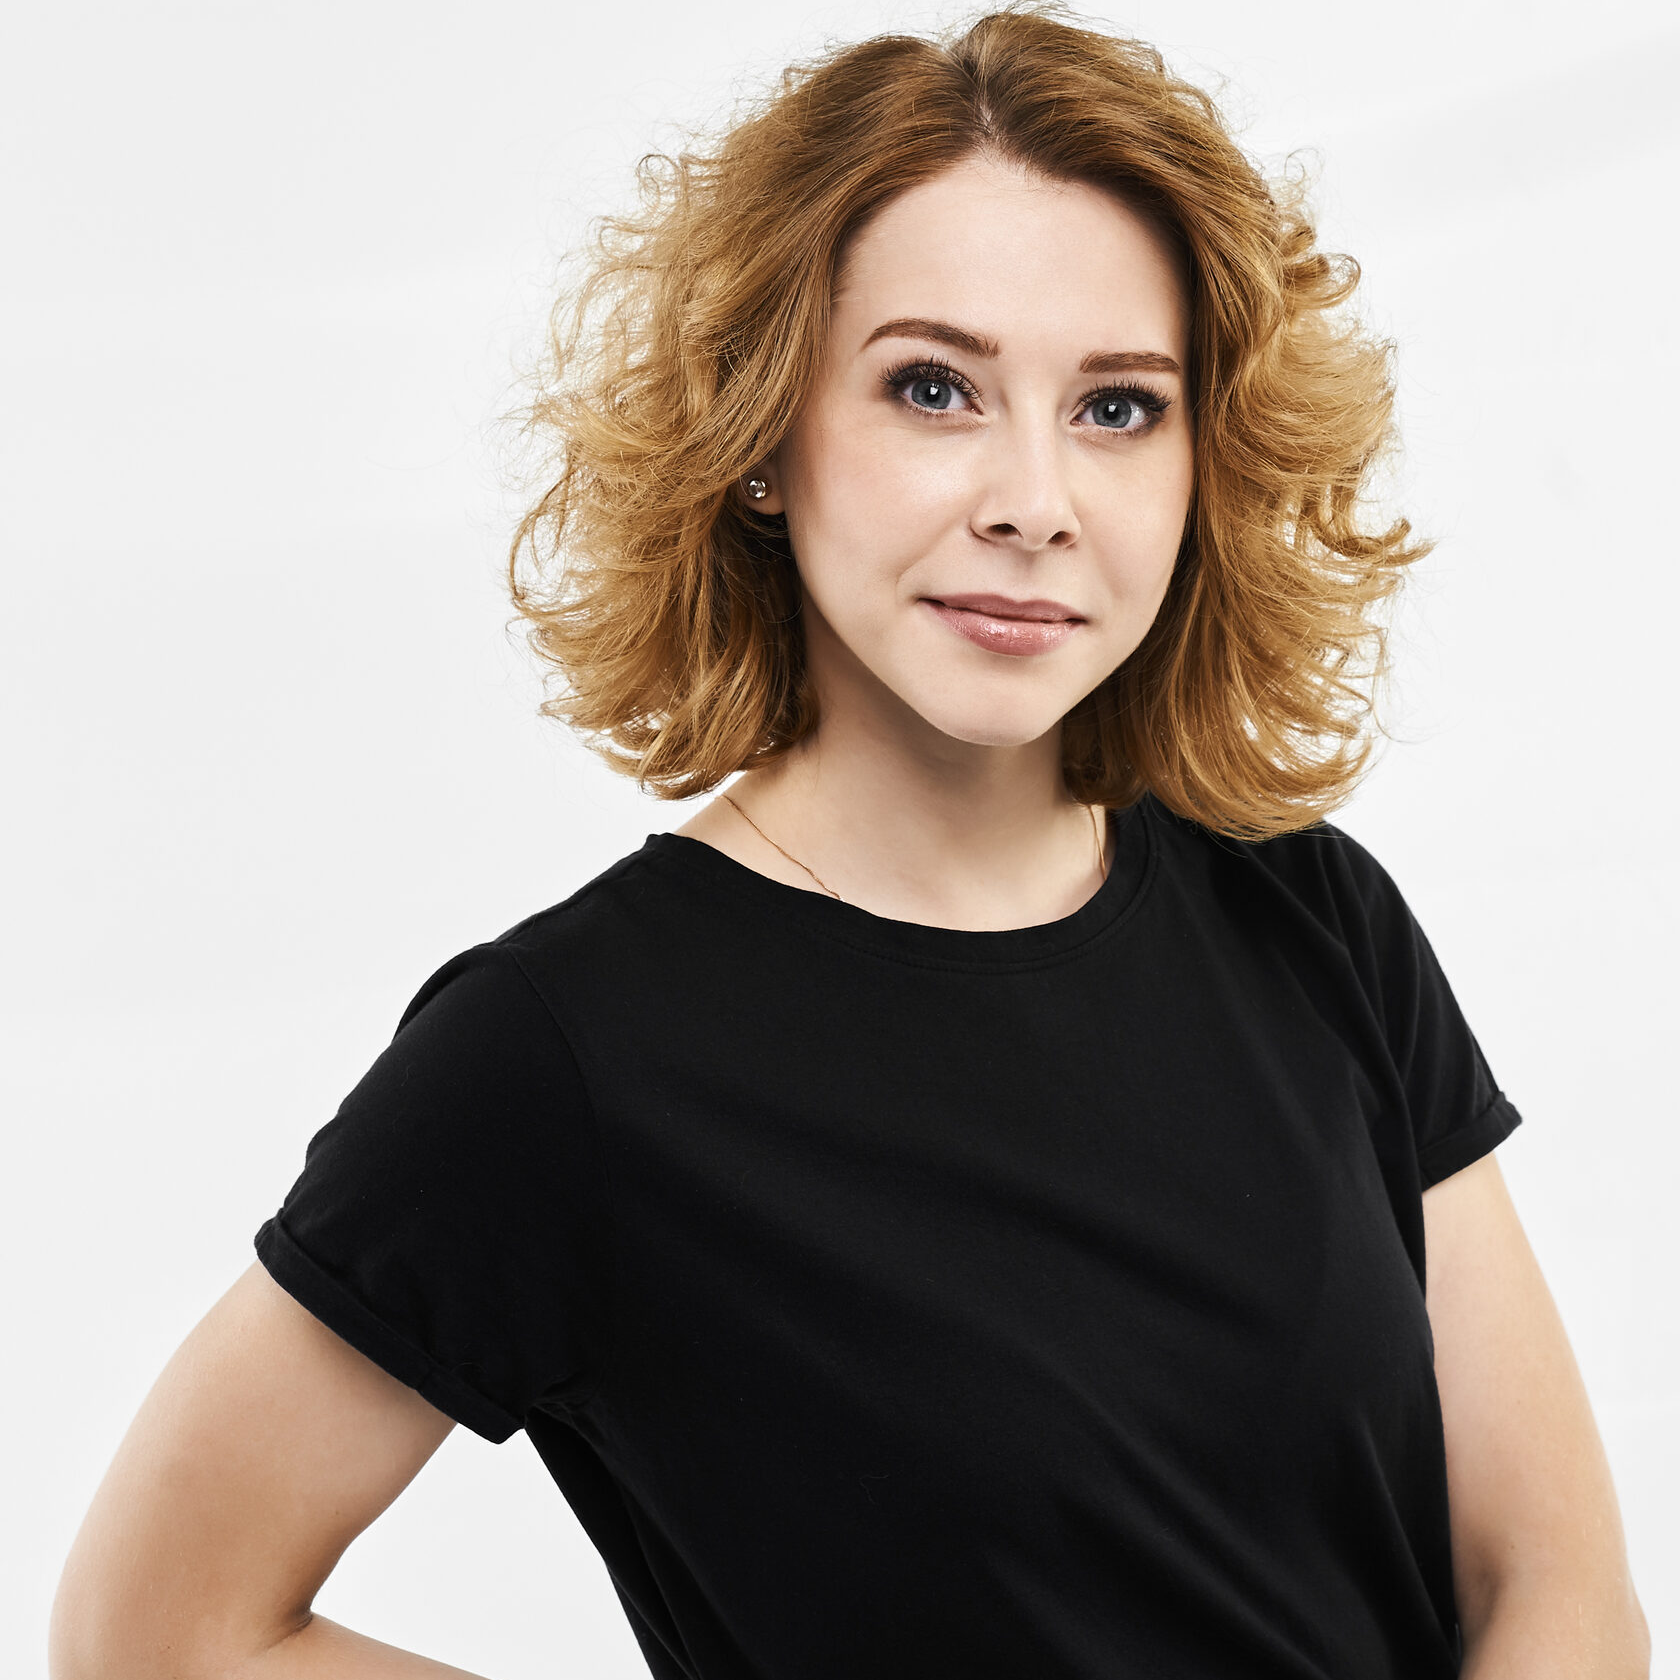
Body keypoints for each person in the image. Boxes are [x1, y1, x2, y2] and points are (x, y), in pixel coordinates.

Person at [49, 6, 1651, 1679]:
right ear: (763, 434)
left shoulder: (1304, 905)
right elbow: (154, 1629)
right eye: (933, 388)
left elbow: (1557, 1592)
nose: (1033, 500)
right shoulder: (565, 1055)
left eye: (1118, 407)